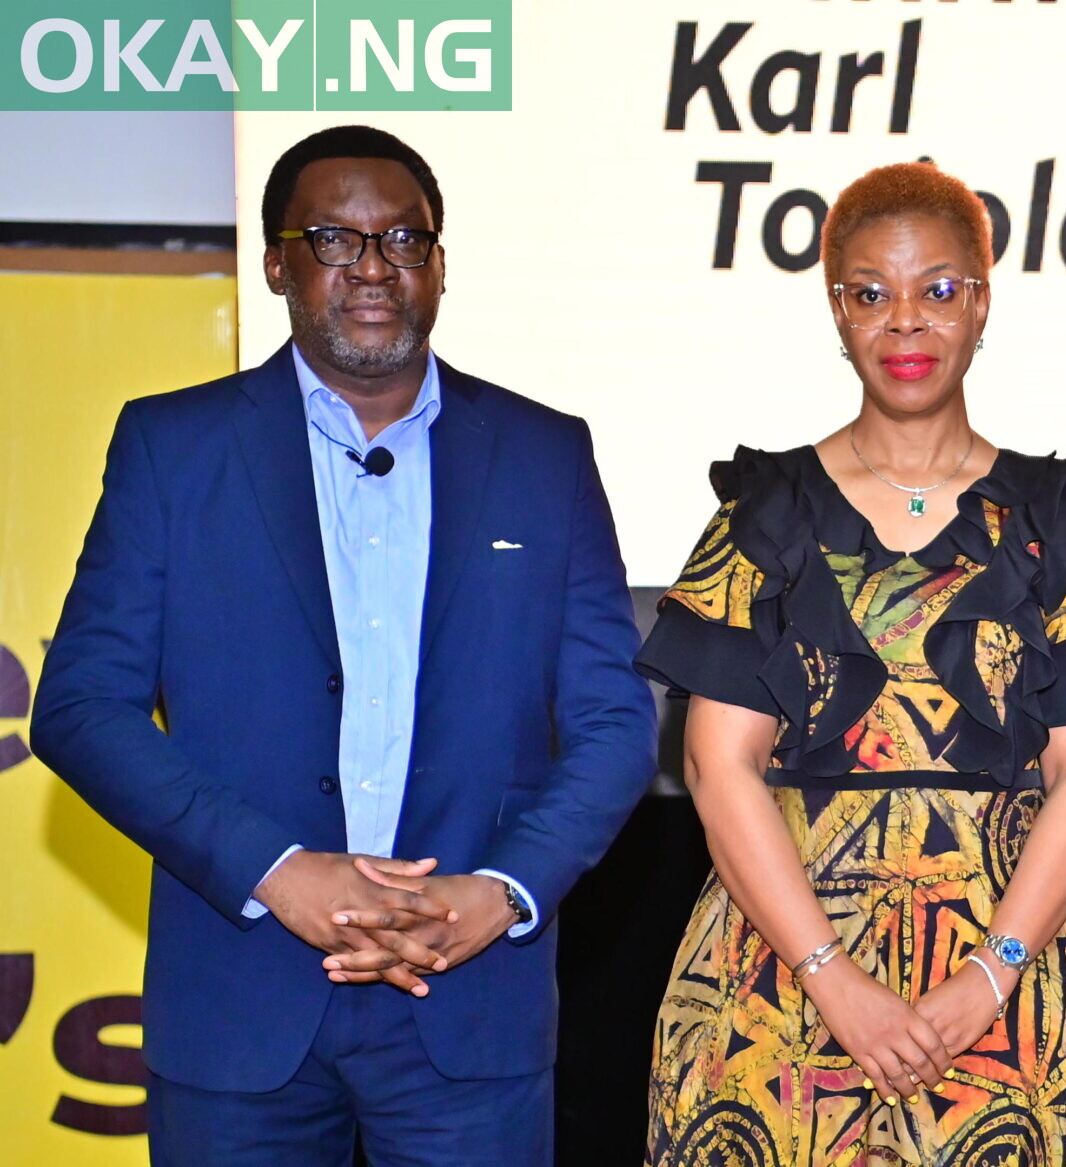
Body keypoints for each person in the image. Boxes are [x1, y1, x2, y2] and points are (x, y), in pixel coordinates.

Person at [30, 125, 657, 1164]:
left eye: (404, 242)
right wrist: (274, 869)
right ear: (276, 262)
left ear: (440, 266)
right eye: (335, 239)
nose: (373, 268)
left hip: (469, 997)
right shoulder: (173, 447)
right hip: (242, 994)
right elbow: (83, 707)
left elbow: (614, 722)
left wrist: (498, 893)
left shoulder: (544, 453)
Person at [639, 161, 1066, 1164]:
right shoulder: (767, 514)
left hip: (1016, 990)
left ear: (982, 301)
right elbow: (716, 765)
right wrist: (832, 979)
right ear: (836, 308)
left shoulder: (1055, 523)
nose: (906, 323)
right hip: (779, 992)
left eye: (938, 290)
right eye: (871, 293)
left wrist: (989, 978)